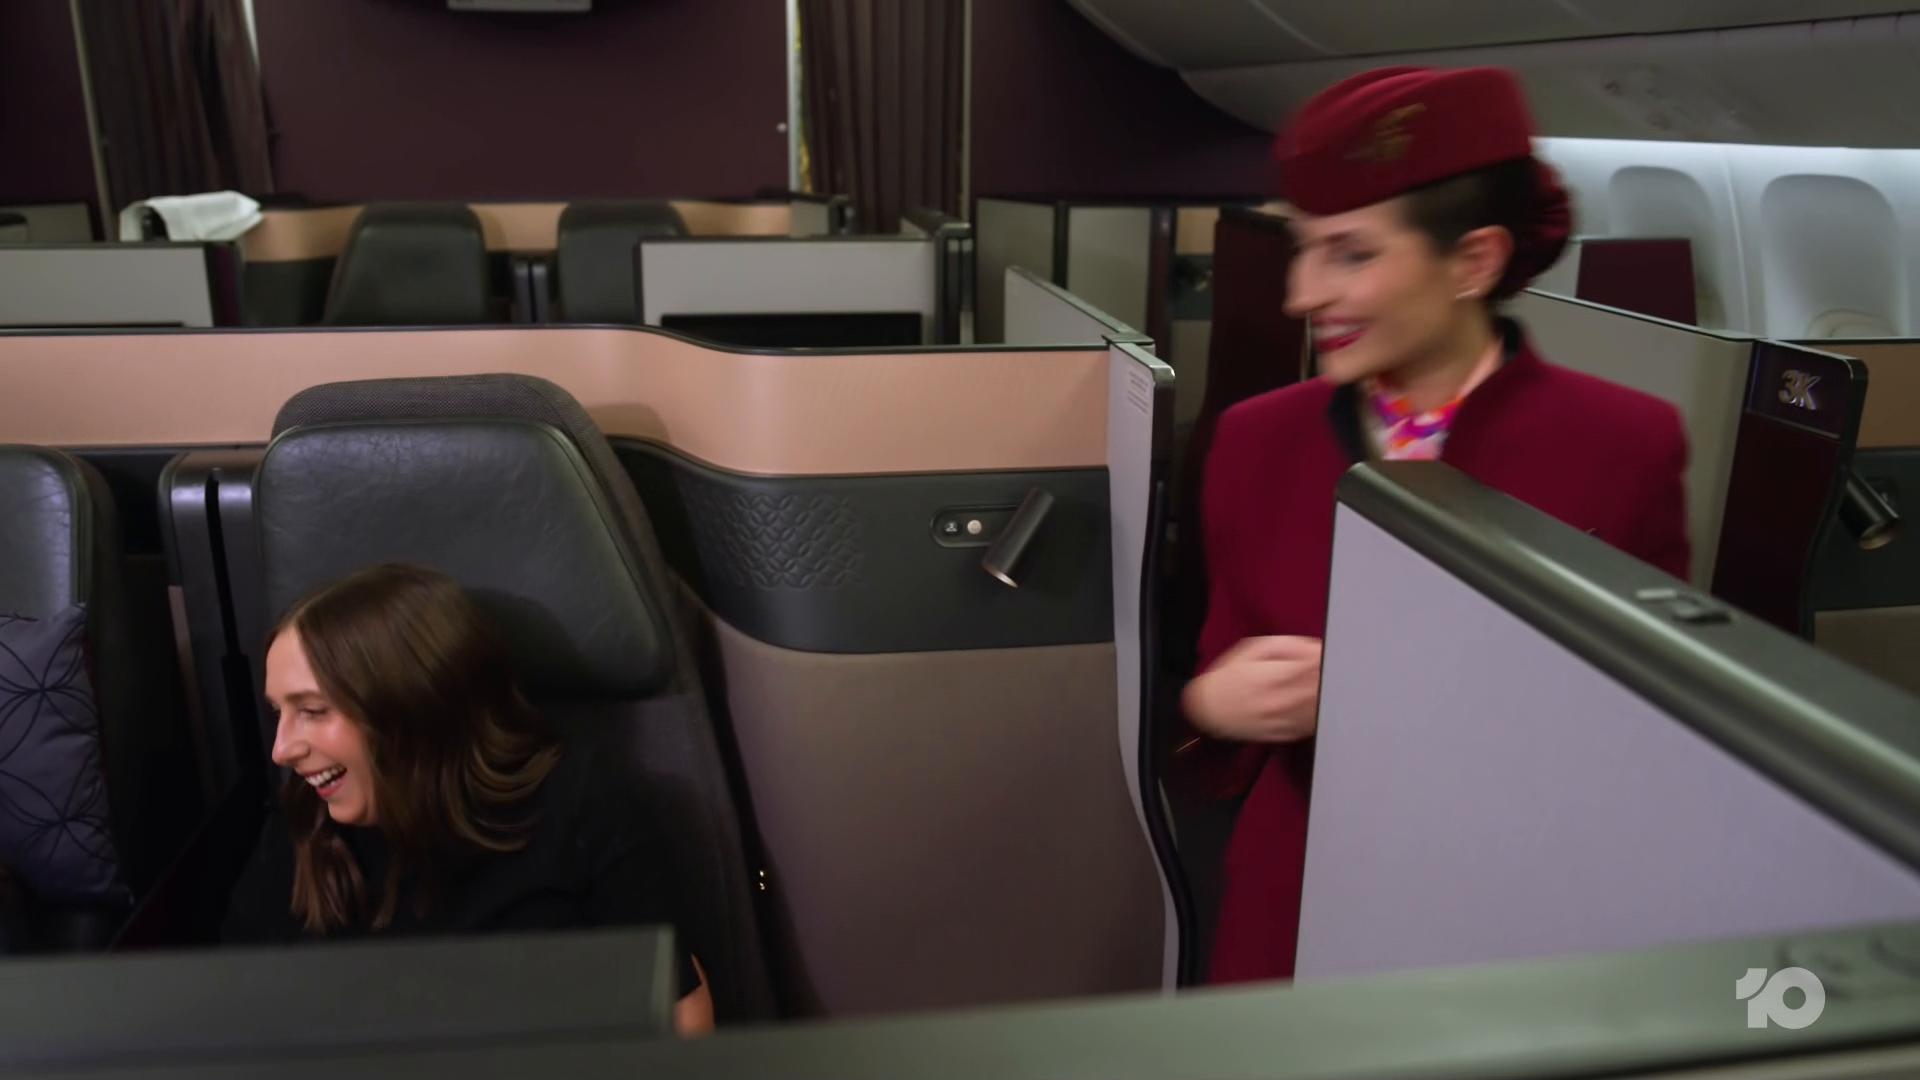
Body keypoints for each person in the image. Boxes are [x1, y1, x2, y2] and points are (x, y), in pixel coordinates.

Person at [1181, 65, 1690, 986]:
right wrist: (1213, 704)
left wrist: (1392, 695)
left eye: (1349, 254)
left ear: (1475, 262)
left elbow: (1656, 727)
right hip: (1298, 896)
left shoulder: (1625, 446)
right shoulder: (1255, 441)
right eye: (1302, 249)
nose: (1301, 294)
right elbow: (1219, 671)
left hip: (1516, 903)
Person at [222, 562, 715, 1037]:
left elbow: (679, 1016)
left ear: (410, 707)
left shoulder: (577, 807)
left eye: (312, 710)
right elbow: (237, 1018)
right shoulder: (301, 827)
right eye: (278, 712)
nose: (282, 750)